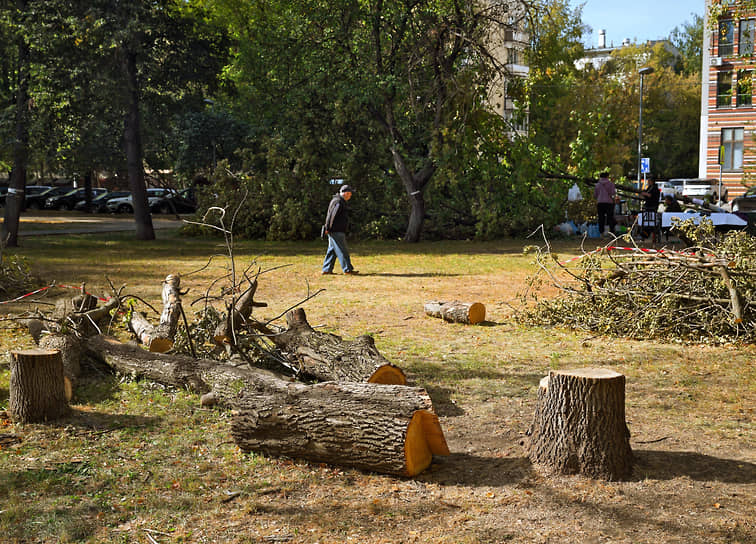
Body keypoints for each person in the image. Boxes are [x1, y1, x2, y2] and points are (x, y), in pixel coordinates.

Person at [322, 184, 358, 275]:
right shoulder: (338, 201)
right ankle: (347, 269)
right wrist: (328, 228)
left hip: (334, 230)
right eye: (350, 193)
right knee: (342, 249)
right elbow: (332, 216)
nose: (351, 195)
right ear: (346, 193)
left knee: (332, 250)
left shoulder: (338, 200)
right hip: (336, 230)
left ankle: (327, 269)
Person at [594, 172, 617, 236]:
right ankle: (611, 233)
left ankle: (601, 233)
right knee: (610, 218)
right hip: (609, 202)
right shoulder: (611, 184)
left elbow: (595, 195)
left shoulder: (597, 184)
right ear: (607, 176)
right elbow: (613, 193)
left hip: (600, 203)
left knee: (601, 218)